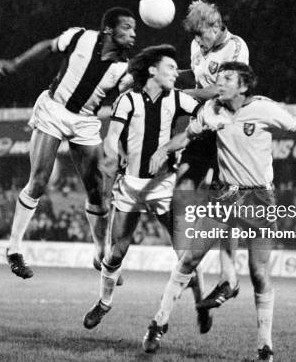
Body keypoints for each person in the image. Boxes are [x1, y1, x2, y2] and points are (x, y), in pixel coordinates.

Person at [143, 62, 296, 362]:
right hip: (225, 195)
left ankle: (264, 346)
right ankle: (158, 323)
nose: (221, 83)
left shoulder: (265, 109)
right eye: (219, 78)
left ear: (243, 86)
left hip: (259, 199)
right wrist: (163, 149)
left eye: (228, 78)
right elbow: (187, 137)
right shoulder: (211, 110)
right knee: (190, 257)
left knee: (258, 272)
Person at [0, 7, 137, 279]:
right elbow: (47, 46)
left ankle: (100, 253)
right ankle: (13, 250)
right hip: (53, 109)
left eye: (134, 29)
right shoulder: (80, 37)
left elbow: (129, 100)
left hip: (85, 121)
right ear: (109, 29)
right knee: (38, 180)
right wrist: (16, 62)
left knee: (98, 193)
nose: (133, 34)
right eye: (127, 27)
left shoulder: (122, 68)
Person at [82, 44, 213, 334]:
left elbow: (206, 113)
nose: (175, 74)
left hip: (164, 186)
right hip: (131, 185)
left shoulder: (177, 98)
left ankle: (200, 302)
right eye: (170, 68)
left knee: (185, 251)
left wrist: (188, 139)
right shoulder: (127, 101)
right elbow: (113, 135)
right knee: (116, 251)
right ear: (152, 69)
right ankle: (104, 303)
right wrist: (113, 153)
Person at [178, 0, 249, 309]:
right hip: (204, 125)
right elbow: (197, 78)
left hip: (230, 129)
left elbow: (222, 91)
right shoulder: (198, 47)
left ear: (217, 27)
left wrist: (178, 93)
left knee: (225, 202)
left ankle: (228, 278)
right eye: (193, 35)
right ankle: (191, 257)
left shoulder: (236, 48)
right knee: (182, 188)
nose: (197, 40)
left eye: (201, 34)